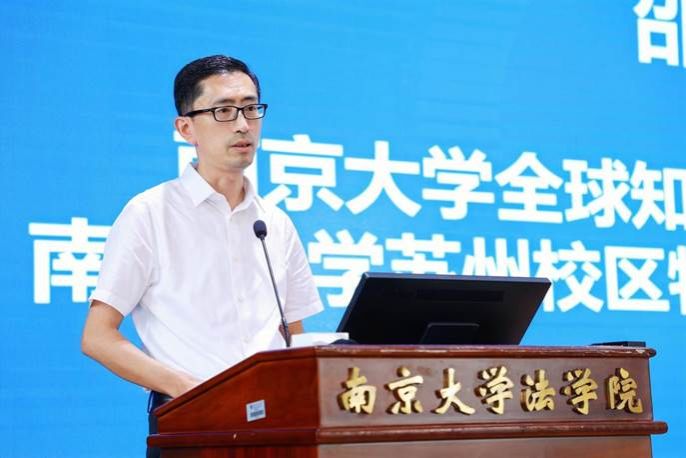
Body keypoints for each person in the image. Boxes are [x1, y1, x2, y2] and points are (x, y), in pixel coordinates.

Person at [81, 55, 323, 457]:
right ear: (186, 128)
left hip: (274, 425)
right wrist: (190, 390)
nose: (243, 124)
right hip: (191, 421)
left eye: (251, 108)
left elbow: (292, 335)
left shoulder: (275, 223)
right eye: (224, 111)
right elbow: (97, 337)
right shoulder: (150, 214)